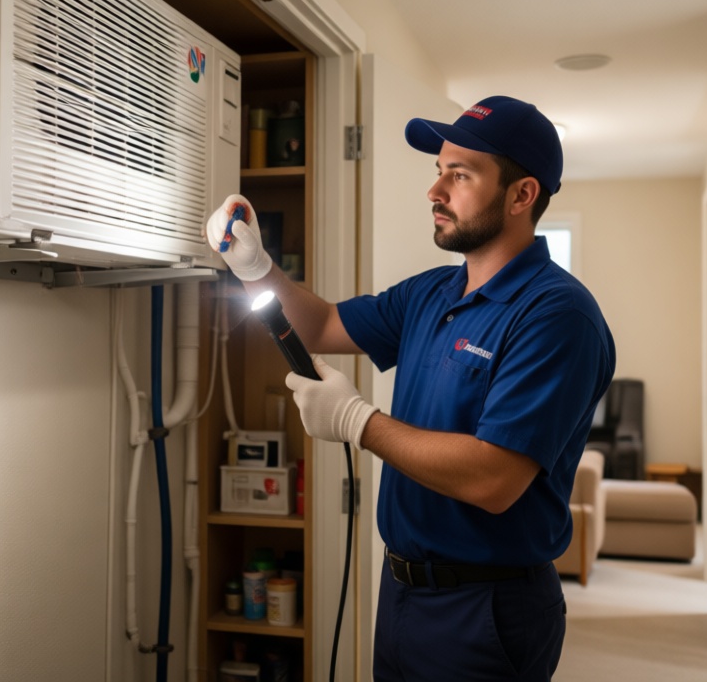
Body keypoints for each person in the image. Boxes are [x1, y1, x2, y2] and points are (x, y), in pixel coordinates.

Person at [206, 95, 615, 681]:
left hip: (486, 609)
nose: (435, 191)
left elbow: (494, 478)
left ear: (522, 195)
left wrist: (357, 422)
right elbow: (322, 325)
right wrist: (255, 267)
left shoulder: (557, 315)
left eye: (461, 174)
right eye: (438, 171)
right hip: (400, 593)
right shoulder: (432, 293)